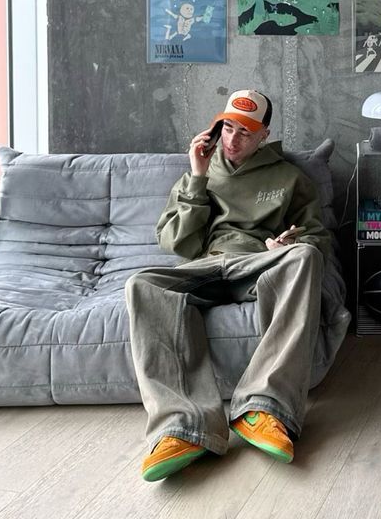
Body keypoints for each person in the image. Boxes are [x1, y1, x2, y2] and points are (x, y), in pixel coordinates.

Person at [125, 89, 331, 482]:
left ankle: (264, 409)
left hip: (258, 264)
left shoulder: (289, 178)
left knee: (305, 258)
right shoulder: (198, 172)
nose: (233, 140)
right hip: (207, 266)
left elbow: (317, 238)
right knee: (142, 284)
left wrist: (287, 244)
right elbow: (176, 243)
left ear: (264, 135)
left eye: (246, 133)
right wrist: (198, 178)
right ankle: (185, 426)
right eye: (228, 128)